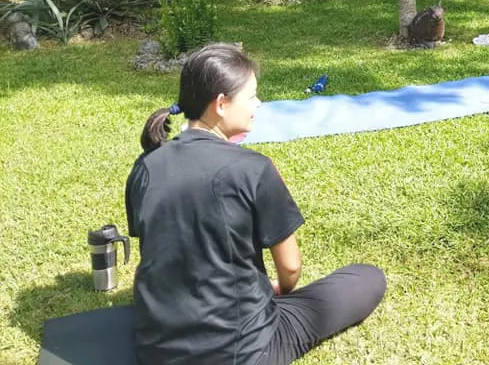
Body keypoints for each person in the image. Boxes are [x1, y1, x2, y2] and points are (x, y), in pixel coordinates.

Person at [126, 43, 386, 364]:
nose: (258, 104)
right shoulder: (254, 168)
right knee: (368, 277)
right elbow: (290, 268)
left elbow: (158, 251)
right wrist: (280, 291)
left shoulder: (145, 166)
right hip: (246, 351)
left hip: (157, 349)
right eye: (251, 96)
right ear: (221, 104)